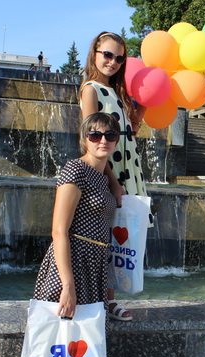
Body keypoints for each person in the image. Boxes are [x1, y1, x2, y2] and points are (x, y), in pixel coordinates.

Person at [32, 112, 119, 357]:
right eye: (95, 134)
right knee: (62, 345)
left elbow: (116, 196)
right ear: (85, 137)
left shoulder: (103, 175)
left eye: (110, 135)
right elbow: (58, 230)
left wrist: (114, 180)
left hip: (95, 266)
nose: (103, 140)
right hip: (69, 266)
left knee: (83, 344)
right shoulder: (74, 170)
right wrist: (67, 284)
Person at [80, 31, 150, 322]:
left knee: (119, 236)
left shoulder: (118, 92)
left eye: (119, 58)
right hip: (110, 171)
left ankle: (107, 298)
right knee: (105, 235)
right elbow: (90, 136)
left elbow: (132, 128)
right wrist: (112, 181)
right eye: (107, 55)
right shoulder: (91, 89)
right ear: (95, 53)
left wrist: (149, 97)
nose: (112, 62)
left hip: (129, 169)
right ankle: (105, 300)